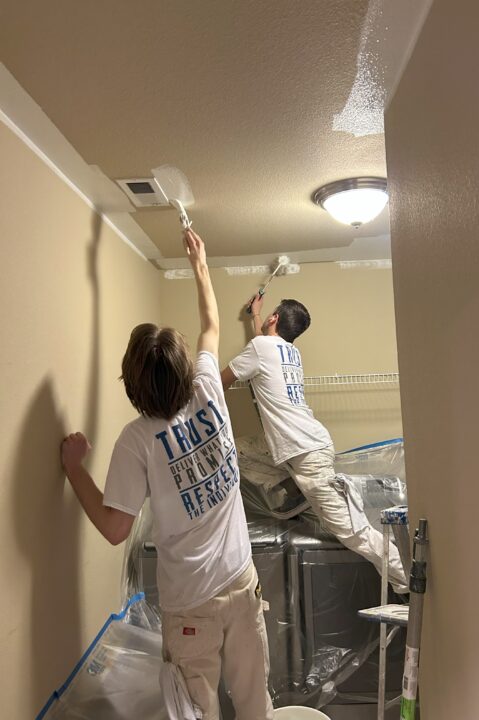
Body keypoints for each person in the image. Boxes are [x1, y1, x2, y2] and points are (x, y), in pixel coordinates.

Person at [61, 229, 273, 720]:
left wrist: (75, 471)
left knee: (194, 714)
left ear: (132, 387)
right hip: (242, 583)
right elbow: (211, 323)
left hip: (191, 605)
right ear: (183, 370)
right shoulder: (207, 389)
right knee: (255, 705)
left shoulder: (137, 440)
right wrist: (199, 261)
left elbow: (116, 529)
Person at [221, 293, 407, 592]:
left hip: (306, 452)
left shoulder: (261, 348)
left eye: (268, 314)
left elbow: (219, 382)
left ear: (274, 319)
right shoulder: (289, 352)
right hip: (300, 445)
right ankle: (295, 488)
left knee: (351, 532)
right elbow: (260, 344)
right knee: (234, 450)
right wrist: (255, 316)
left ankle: (407, 577)